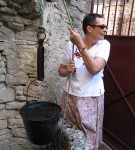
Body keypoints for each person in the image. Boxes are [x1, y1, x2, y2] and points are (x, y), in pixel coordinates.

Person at [58, 13, 110, 150]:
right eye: (102, 26)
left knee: (90, 135)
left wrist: (80, 44)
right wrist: (67, 70)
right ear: (89, 28)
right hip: (69, 96)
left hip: (91, 98)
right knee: (69, 131)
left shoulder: (104, 45)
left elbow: (94, 69)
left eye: (106, 26)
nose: (105, 29)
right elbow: (60, 71)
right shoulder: (71, 45)